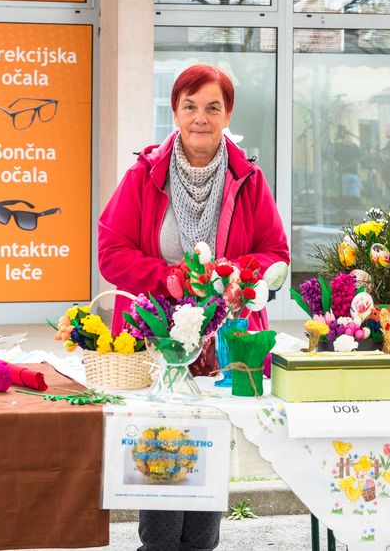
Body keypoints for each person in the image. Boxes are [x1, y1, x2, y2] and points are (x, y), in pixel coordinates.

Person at [98, 64, 289, 551]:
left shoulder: (249, 178)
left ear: (228, 115)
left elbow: (275, 254)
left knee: (207, 465)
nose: (200, 117)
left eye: (212, 107)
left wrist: (232, 275)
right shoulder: (144, 175)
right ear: (175, 112)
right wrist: (168, 276)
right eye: (190, 106)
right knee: (162, 458)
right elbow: (111, 252)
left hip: (224, 346)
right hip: (158, 341)